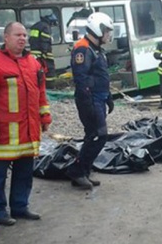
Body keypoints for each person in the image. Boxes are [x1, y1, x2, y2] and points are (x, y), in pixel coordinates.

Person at [0, 22, 52, 226]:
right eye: (18, 35)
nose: (22, 38)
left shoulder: (33, 64)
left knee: (24, 172)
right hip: (3, 133)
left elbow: (40, 93)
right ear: (6, 38)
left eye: (25, 35)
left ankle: (20, 206)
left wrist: (45, 117)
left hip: (28, 132)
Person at [67, 12, 115, 190]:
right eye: (107, 31)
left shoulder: (96, 49)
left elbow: (101, 76)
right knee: (98, 135)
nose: (109, 35)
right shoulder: (83, 49)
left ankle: (83, 172)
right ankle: (77, 171)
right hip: (90, 100)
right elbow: (82, 79)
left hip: (99, 98)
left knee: (93, 136)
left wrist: (108, 97)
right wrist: (88, 105)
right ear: (98, 28)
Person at [29, 12, 59, 88]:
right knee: (49, 70)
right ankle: (50, 86)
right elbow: (45, 41)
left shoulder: (37, 25)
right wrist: (44, 53)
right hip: (43, 53)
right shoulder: (45, 27)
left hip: (34, 53)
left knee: (38, 71)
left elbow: (31, 40)